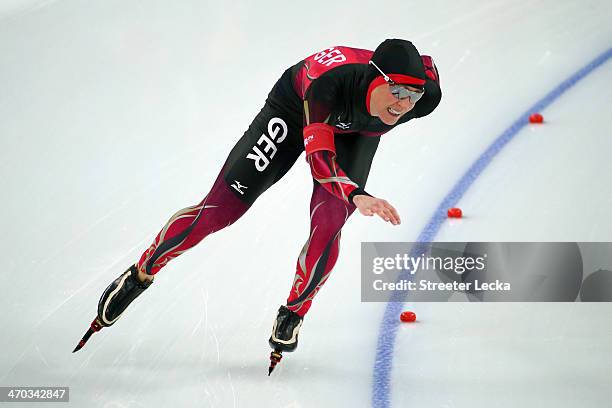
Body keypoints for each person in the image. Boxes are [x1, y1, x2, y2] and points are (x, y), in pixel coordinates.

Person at [73, 39, 442, 373]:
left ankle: (293, 313)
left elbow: (422, 75)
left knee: (330, 223)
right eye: (395, 92)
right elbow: (319, 160)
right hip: (296, 109)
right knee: (219, 211)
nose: (402, 105)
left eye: (412, 97)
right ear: (374, 79)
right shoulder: (330, 84)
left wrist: (351, 193)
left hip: (354, 133)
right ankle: (141, 272)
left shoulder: (422, 97)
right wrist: (358, 194)